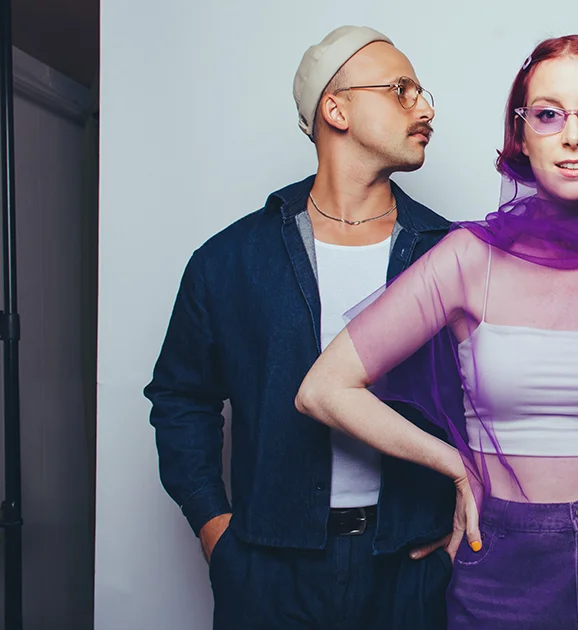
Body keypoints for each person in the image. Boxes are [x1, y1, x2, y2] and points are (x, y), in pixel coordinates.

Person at [296, 35, 578, 630]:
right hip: (502, 561)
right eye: (548, 115)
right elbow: (324, 388)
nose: (572, 134)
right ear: (521, 136)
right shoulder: (468, 259)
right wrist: (451, 463)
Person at [144, 25, 455, 630]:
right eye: (400, 89)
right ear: (334, 109)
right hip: (268, 571)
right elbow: (181, 398)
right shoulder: (231, 259)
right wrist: (216, 531)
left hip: (409, 569)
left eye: (423, 91)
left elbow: (492, 397)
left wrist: (457, 535)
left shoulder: (450, 253)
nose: (426, 107)